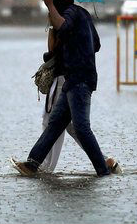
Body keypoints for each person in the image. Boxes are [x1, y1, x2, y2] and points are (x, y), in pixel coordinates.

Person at [12, 0, 112, 177]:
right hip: (74, 79)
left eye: (52, 1)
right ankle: (32, 164)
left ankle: (103, 169)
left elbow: (63, 27)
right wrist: (76, 42)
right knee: (55, 124)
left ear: (58, 1)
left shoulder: (71, 13)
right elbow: (96, 44)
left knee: (81, 128)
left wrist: (50, 6)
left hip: (79, 79)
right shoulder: (82, 14)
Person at [39, 26, 121, 174]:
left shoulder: (63, 20)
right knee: (70, 125)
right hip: (69, 77)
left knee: (53, 122)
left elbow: (52, 49)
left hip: (64, 78)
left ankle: (44, 166)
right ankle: (103, 161)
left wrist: (51, 27)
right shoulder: (75, 20)